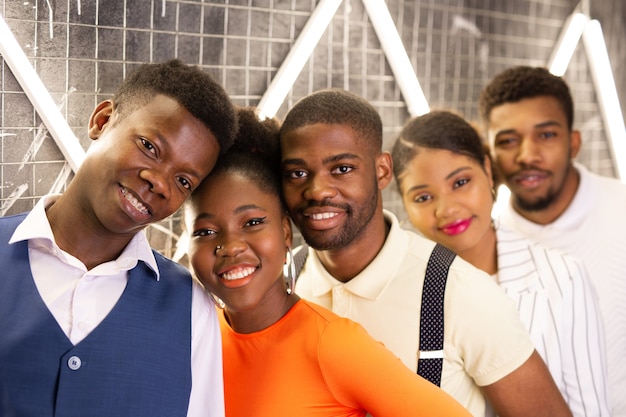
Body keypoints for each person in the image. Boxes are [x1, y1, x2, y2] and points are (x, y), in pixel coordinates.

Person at [278, 88, 573, 417]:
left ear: (382, 171)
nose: (317, 190)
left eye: (342, 169)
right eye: (297, 173)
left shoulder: (460, 292)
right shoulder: (281, 286)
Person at [185, 106, 473, 417]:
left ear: (285, 232)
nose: (229, 246)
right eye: (205, 231)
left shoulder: (334, 344)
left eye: (253, 222)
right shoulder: (195, 334)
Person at [0, 59, 238, 417]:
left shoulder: (189, 307)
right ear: (102, 120)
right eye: (149, 146)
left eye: (184, 181)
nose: (159, 182)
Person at [390, 109, 610, 417]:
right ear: (405, 205)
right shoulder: (397, 286)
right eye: (423, 198)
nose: (447, 209)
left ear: (489, 172)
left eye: (461, 182)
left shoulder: (562, 277)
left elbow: (591, 410)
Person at [479, 65, 626, 417]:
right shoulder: (485, 244)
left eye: (546, 135)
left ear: (574, 142)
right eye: (508, 140)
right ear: (490, 154)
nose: (527, 155)